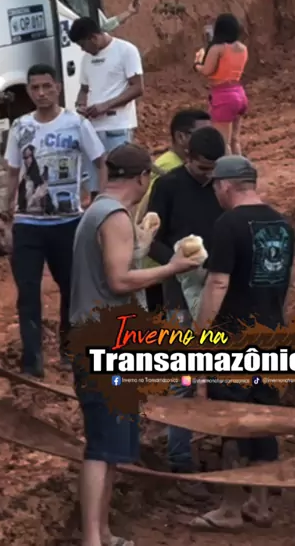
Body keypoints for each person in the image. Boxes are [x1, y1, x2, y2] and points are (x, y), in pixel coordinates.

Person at [69, 144, 205, 546]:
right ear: (142, 178)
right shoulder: (114, 216)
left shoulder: (100, 211)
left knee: (110, 445)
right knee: (101, 447)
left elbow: (110, 270)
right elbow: (118, 281)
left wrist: (140, 249)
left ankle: (103, 532)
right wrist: (173, 267)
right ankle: (92, 539)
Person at [189, 154, 295, 532]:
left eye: (216, 186)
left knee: (231, 420)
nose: (215, 192)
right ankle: (260, 504)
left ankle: (231, 507)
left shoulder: (228, 224)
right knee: (265, 419)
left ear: (226, 185)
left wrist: (200, 338)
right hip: (272, 335)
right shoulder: (282, 224)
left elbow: (218, 283)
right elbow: (284, 285)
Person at [4, 64, 107, 378]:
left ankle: (69, 351)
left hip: (67, 223)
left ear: (58, 87)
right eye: (35, 88)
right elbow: (12, 172)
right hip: (27, 223)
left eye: (46, 86)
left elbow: (100, 161)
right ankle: (31, 362)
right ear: (29, 91)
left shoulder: (77, 124)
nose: (41, 93)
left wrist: (99, 199)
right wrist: (7, 210)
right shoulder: (20, 127)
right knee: (27, 292)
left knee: (71, 289)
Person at [146, 125, 226, 475]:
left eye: (214, 170)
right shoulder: (168, 185)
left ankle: (223, 448)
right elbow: (151, 240)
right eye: (202, 169)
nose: (208, 177)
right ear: (188, 158)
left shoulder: (224, 185)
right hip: (179, 290)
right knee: (184, 374)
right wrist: (178, 263)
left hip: (219, 287)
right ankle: (180, 460)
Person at [136, 108, 211, 312]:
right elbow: (149, 219)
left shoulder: (178, 165)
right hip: (161, 271)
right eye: (202, 134)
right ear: (181, 137)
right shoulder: (169, 172)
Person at [69, 17, 143, 200]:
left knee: (118, 180)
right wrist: (80, 105)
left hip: (117, 127)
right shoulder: (87, 59)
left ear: (93, 38)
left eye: (83, 44)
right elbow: (84, 89)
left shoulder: (126, 50)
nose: (83, 49)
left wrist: (105, 106)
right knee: (95, 183)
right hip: (93, 129)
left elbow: (137, 88)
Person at [194, 13, 248, 155]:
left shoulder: (218, 49)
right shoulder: (242, 48)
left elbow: (207, 71)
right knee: (235, 140)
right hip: (239, 92)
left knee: (223, 142)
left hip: (223, 96)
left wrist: (197, 63)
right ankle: (239, 166)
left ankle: (228, 167)